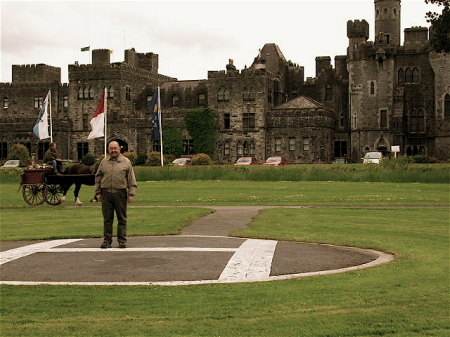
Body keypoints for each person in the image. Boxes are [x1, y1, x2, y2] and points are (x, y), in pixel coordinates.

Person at [95, 141, 137, 248]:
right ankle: (107, 241)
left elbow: (131, 178)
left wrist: (131, 193)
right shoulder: (104, 162)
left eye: (115, 148)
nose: (113, 150)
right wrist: (98, 193)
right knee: (107, 219)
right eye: (111, 148)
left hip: (120, 193)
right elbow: (98, 177)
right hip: (106, 194)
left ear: (119, 149)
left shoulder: (126, 162)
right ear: (108, 150)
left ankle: (122, 240)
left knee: (121, 218)